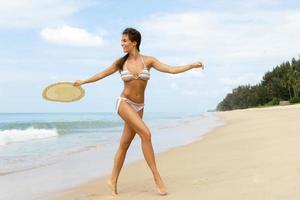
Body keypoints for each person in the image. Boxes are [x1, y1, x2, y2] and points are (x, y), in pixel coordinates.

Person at [73, 27, 204, 196]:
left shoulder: (148, 61)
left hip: (139, 107)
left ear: (134, 42)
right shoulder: (121, 63)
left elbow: (171, 70)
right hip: (124, 103)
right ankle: (157, 178)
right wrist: (83, 81)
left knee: (124, 144)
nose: (122, 44)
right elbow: (102, 74)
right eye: (122, 41)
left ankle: (112, 180)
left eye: (125, 41)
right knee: (146, 134)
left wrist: (191, 65)